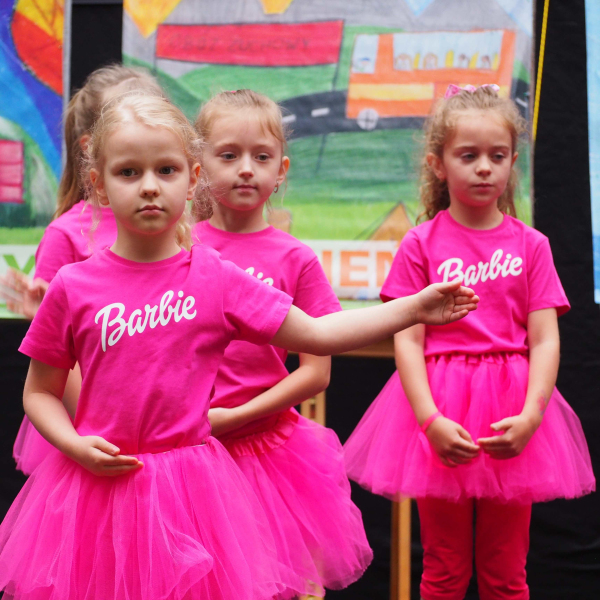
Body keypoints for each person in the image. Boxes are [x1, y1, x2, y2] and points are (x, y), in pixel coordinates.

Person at [0, 93, 477, 600]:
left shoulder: (215, 278)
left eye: (166, 170)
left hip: (192, 496)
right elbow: (40, 392)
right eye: (128, 172)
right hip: (97, 497)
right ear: (99, 183)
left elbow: (318, 335)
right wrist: (74, 445)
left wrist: (412, 308)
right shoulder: (74, 287)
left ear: (192, 180)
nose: (149, 186)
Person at [343, 84, 595, 600]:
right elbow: (408, 341)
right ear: (438, 165)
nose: (484, 168)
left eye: (497, 156)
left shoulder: (532, 245)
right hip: (441, 409)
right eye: (468, 156)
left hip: (513, 409)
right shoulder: (421, 244)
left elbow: (545, 340)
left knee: (506, 571)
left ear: (512, 163)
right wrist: (429, 421)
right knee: (444, 568)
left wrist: (532, 416)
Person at [193, 89, 372, 597]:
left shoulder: (296, 260)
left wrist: (236, 416)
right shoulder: (181, 250)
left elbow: (316, 372)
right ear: (199, 165)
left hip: (267, 454)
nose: (246, 169)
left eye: (261, 157)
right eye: (229, 155)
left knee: (271, 585)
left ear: (282, 170)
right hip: (189, 455)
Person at [3, 64, 165, 475]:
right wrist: (100, 429)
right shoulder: (66, 235)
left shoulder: (175, 225)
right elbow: (56, 365)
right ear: (92, 149)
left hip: (168, 429)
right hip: (100, 434)